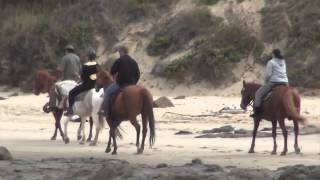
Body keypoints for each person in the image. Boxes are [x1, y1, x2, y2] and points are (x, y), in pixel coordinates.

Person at [99, 46, 140, 117]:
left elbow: (112, 72)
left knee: (107, 93)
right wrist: (134, 84)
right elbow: (138, 74)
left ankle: (104, 111)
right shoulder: (134, 62)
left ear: (122, 52)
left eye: (119, 52)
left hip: (121, 84)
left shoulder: (119, 60)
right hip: (132, 84)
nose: (119, 54)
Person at [251, 49, 289, 117]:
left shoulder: (271, 62)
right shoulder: (283, 61)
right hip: (285, 82)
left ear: (273, 54)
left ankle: (257, 112)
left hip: (274, 82)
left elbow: (268, 75)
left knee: (258, 93)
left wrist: (266, 82)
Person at [65, 48, 98, 116]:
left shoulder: (85, 66)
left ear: (88, 57)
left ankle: (70, 109)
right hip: (95, 85)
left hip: (86, 86)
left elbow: (83, 77)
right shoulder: (97, 65)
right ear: (94, 57)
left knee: (71, 93)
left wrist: (78, 78)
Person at [48, 45, 81, 110]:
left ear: (66, 51)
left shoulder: (65, 57)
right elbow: (80, 69)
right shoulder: (78, 58)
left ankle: (52, 106)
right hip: (76, 81)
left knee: (53, 88)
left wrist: (56, 74)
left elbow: (61, 70)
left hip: (66, 80)